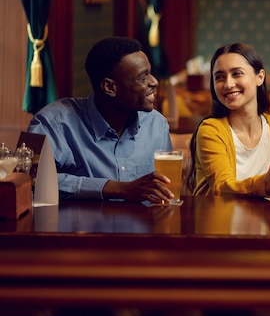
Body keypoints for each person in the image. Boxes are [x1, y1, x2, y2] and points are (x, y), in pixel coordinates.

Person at [28, 37, 175, 203]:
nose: (154, 82)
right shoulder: (52, 123)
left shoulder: (156, 124)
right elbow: (30, 180)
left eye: (150, 73)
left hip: (145, 227)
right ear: (110, 87)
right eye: (142, 78)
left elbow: (166, 192)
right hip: (78, 228)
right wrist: (115, 189)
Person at [188, 43, 270, 197]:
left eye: (237, 73)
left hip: (269, 220)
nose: (228, 84)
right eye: (219, 77)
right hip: (221, 219)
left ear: (259, 77)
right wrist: (265, 183)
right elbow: (221, 187)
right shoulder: (210, 130)